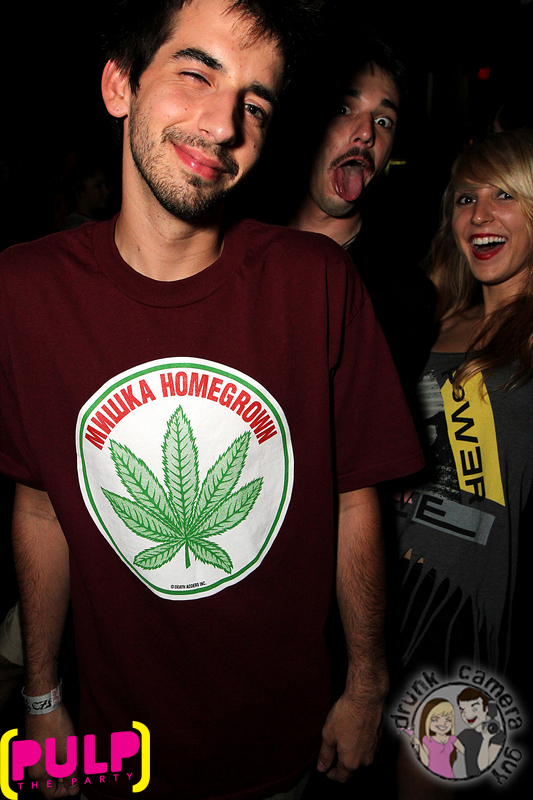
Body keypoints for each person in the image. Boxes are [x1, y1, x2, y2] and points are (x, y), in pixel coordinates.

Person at [0, 2, 424, 800]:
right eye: (196, 73)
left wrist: (367, 685)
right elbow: (39, 508)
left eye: (254, 104)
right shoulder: (23, 289)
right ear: (119, 85)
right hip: (111, 747)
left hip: (286, 750)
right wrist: (42, 699)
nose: (225, 124)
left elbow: (353, 499)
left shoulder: (317, 281)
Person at [395, 129, 533, 678]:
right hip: (384, 588)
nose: (479, 215)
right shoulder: (434, 321)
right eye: (465, 198)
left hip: (468, 616)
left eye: (505, 195)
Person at [286, 32, 436, 398]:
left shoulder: (402, 297)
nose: (367, 133)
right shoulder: (235, 242)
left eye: (384, 121)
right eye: (343, 109)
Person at [409, 698, 464, 780]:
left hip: (449, 776)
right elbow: (425, 763)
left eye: (448, 720)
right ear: (427, 720)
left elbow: (467, 753)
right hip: (430, 778)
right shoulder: (427, 740)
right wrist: (419, 744)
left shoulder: (452, 739)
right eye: (436, 719)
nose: (443, 723)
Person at [456, 688, 503, 777]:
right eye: (463, 711)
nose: (467, 715)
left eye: (474, 709)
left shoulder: (498, 735)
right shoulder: (466, 734)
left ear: (486, 709)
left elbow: (484, 768)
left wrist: (486, 739)